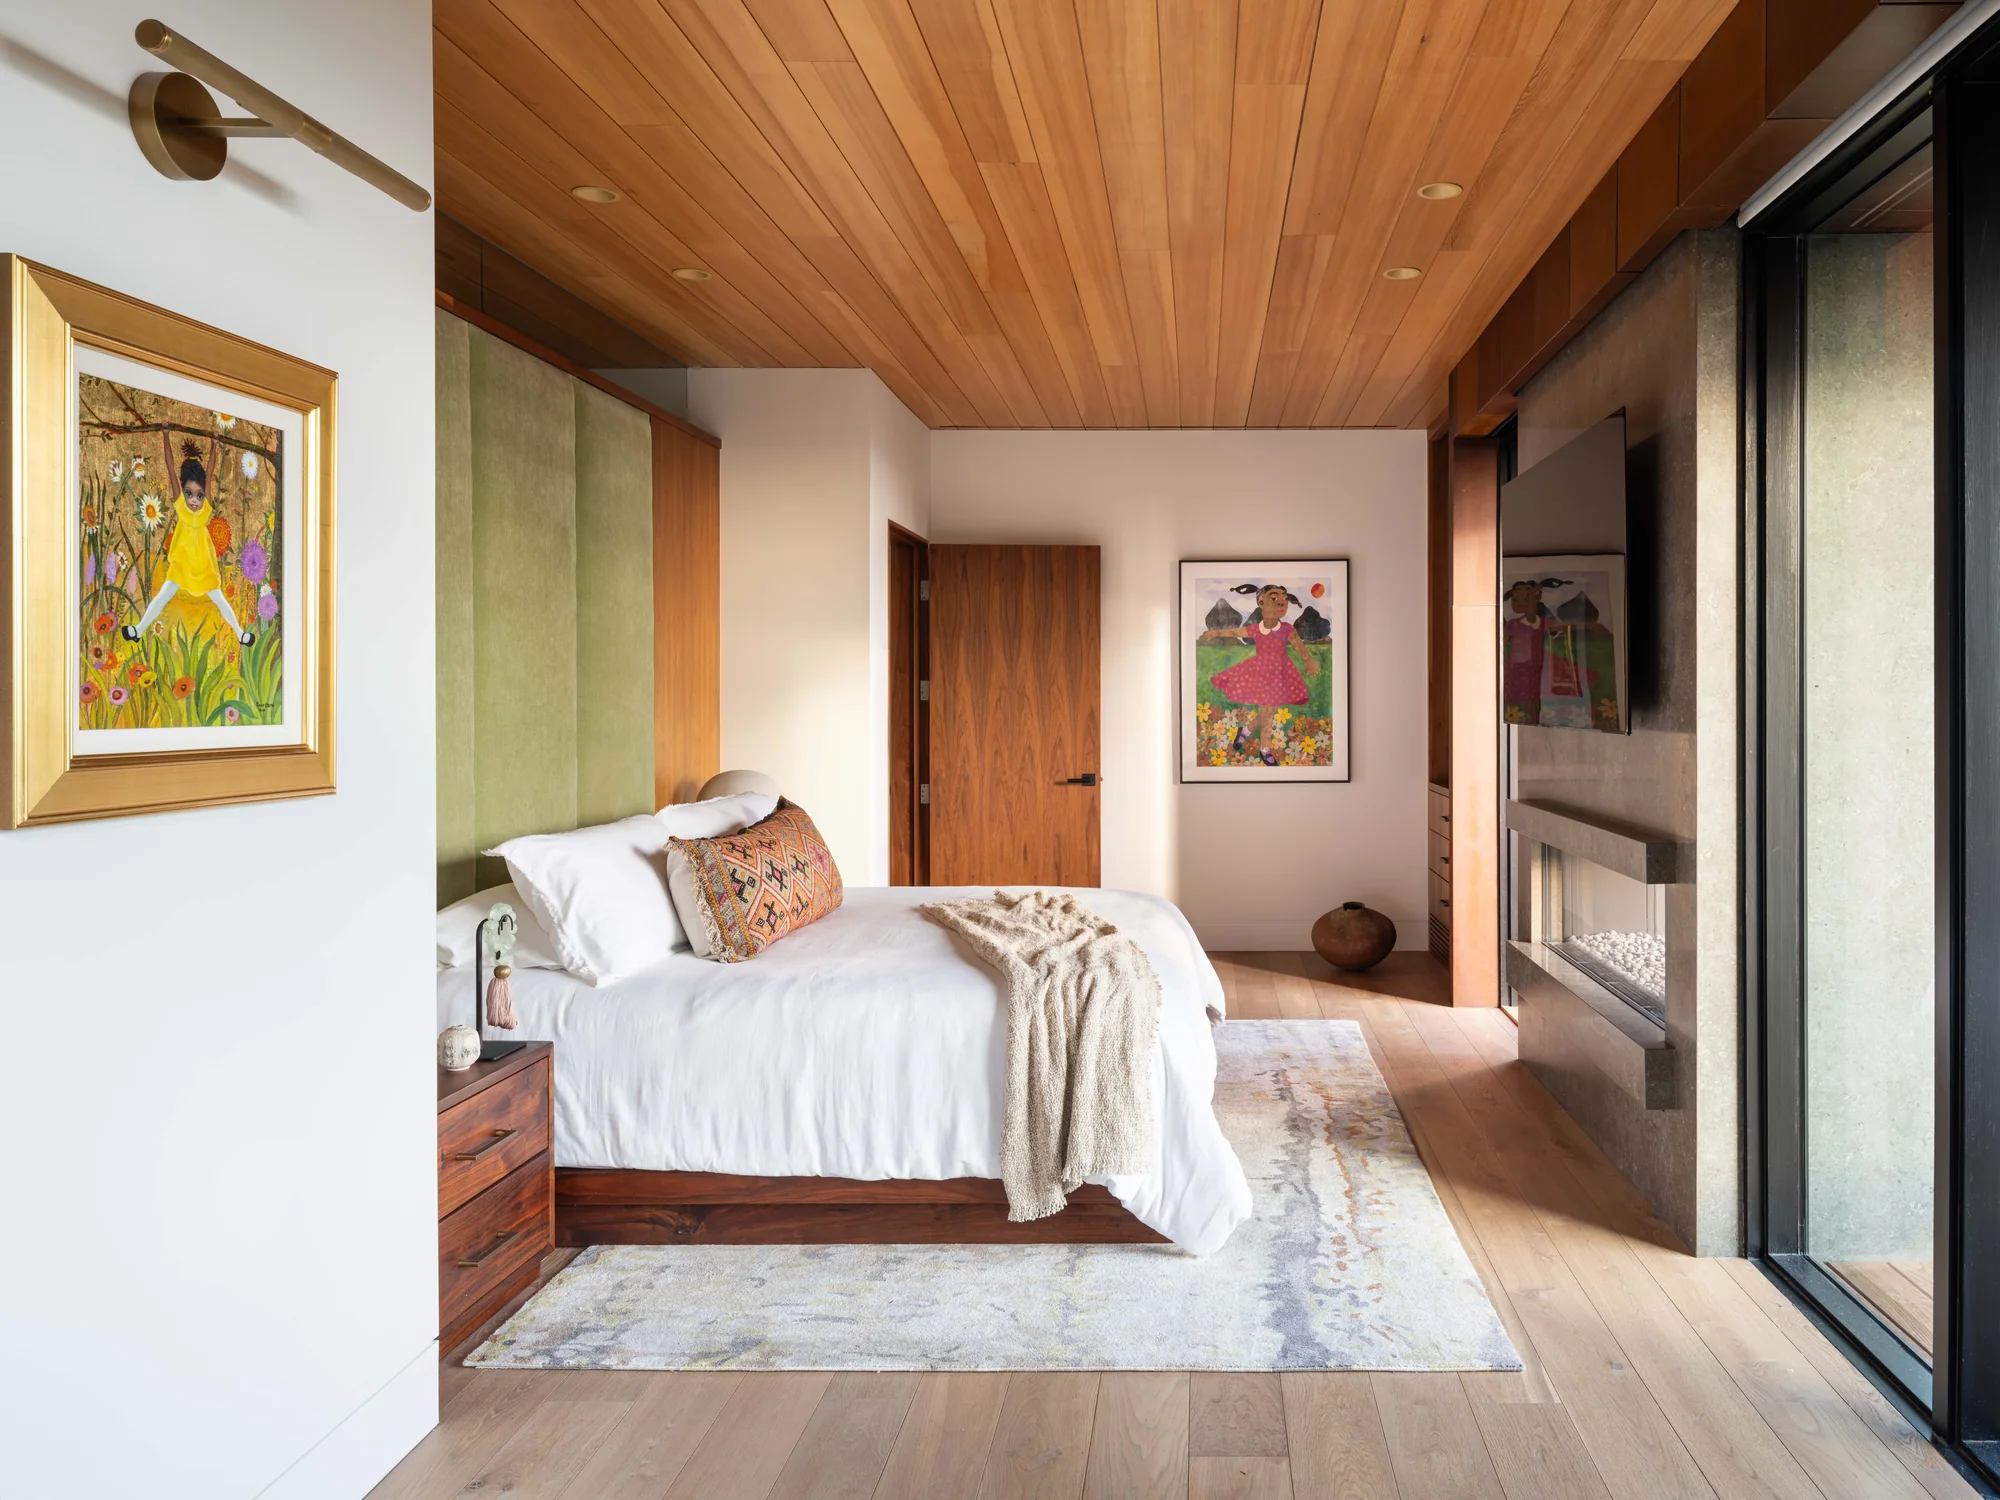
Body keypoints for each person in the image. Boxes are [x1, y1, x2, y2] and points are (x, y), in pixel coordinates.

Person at [122, 443, 253, 647]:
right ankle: (138, 630)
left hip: (203, 566)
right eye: (189, 493)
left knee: (219, 600)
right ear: (182, 492)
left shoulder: (205, 510)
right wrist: (165, 436)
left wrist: (213, 445)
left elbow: (209, 472)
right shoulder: (181, 507)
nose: (194, 500)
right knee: (163, 596)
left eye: (199, 495)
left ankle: (240, 634)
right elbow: (171, 467)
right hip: (182, 565)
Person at [1198, 582, 1320, 766]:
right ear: (1261, 602)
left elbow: (1299, 646)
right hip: (1260, 674)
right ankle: (1265, 750)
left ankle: (1245, 731)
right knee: (1268, 714)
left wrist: (1309, 660)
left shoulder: (1286, 628)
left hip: (1280, 674)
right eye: (1274, 598)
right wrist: (1216, 632)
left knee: (1267, 712)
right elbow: (1235, 631)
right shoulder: (1257, 629)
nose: (1281, 603)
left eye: (1285, 599)